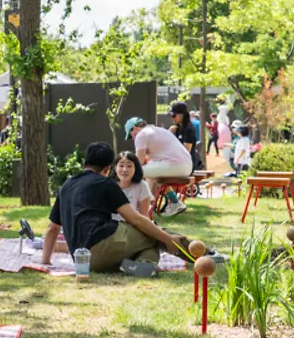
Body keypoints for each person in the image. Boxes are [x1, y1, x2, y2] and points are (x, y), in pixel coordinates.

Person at [40, 143, 188, 275]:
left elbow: (52, 228)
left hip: (85, 261)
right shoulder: (106, 183)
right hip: (105, 242)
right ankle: (202, 254)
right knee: (153, 234)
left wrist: (45, 261)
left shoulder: (66, 186)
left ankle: (144, 265)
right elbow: (135, 219)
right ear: (108, 169)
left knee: (148, 244)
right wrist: (168, 239)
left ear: (84, 164)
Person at [125, 116, 193, 218]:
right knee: (150, 171)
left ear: (134, 128)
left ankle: (143, 207)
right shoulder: (159, 130)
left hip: (175, 165)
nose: (132, 138)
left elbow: (139, 163)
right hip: (187, 166)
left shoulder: (141, 135)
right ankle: (172, 202)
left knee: (135, 172)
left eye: (131, 135)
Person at [113, 151, 152, 218]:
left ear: (135, 168)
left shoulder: (142, 186)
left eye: (129, 166)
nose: (125, 169)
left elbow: (144, 216)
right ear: (115, 168)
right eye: (121, 166)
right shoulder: (109, 185)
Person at [168, 101, 199, 171]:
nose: (172, 118)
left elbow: (185, 153)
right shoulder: (177, 128)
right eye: (171, 116)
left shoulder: (188, 129)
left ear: (182, 114)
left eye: (174, 115)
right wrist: (169, 134)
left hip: (186, 165)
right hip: (178, 163)